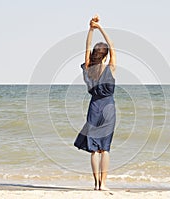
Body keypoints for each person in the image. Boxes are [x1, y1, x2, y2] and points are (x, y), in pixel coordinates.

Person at [74, 15, 116, 191]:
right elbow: (112, 47)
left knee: (94, 149)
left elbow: (86, 47)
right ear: (105, 55)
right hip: (108, 109)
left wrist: (91, 29)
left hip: (94, 108)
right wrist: (100, 28)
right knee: (104, 148)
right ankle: (104, 184)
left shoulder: (88, 68)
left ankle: (96, 184)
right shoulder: (110, 68)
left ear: (93, 55)